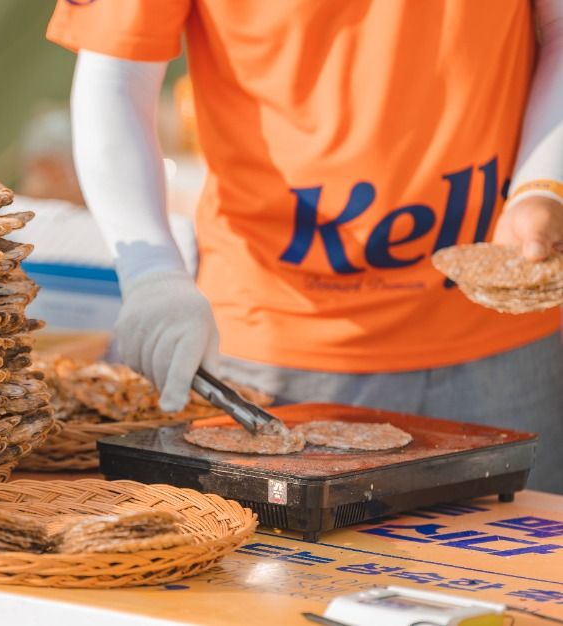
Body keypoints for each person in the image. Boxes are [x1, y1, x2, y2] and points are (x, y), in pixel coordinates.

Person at [47, 0, 563, 493]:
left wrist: (543, 184)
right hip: (268, 343)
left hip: (503, 342)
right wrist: (151, 272)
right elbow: (116, 71)